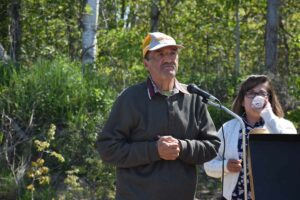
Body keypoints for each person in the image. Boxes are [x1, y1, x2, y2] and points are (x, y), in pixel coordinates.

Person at [97, 32, 221, 200]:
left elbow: (212, 146)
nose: (169, 59)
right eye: (161, 54)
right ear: (146, 63)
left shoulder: (194, 98)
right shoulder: (130, 99)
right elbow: (108, 149)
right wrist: (154, 150)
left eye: (172, 53)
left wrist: (182, 147)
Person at [204, 75, 297, 200]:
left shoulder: (285, 126)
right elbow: (208, 166)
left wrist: (268, 115)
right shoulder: (228, 129)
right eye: (251, 93)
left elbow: (291, 155)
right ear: (242, 101)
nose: (256, 97)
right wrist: (226, 166)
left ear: (269, 99)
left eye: (262, 93)